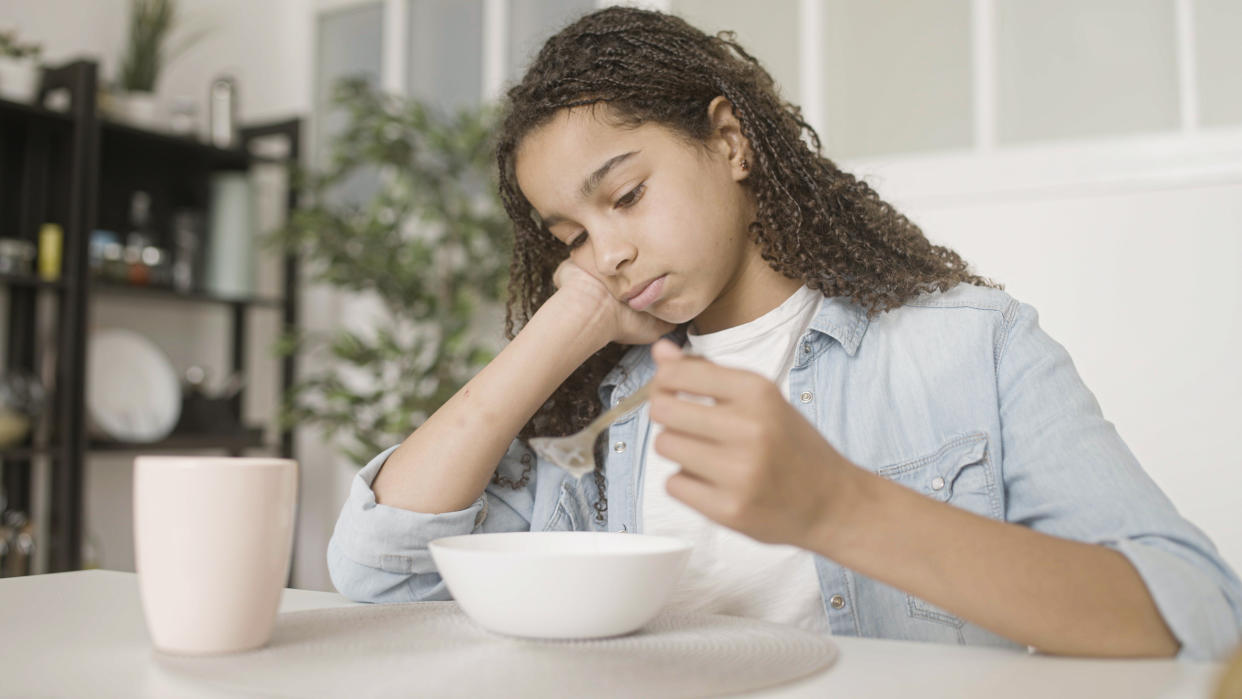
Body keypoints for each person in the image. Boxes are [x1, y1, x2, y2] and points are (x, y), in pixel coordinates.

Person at [326, 6, 1242, 660]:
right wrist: (564, 321)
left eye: (627, 195)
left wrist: (839, 507)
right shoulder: (595, 409)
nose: (605, 251)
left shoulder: (969, 346)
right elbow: (382, 573)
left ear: (729, 142)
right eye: (569, 236)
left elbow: (1200, 616)